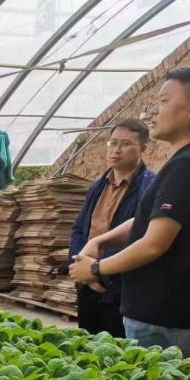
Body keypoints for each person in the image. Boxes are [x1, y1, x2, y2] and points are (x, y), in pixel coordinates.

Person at [70, 67, 190, 357]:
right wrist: (101, 241)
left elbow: (154, 243)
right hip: (168, 310)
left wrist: (95, 268)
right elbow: (149, 222)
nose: (153, 112)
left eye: (164, 101)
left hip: (162, 315)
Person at [69, 119, 155, 338]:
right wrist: (81, 265)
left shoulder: (150, 187)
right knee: (86, 346)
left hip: (121, 288)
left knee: (117, 349)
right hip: (88, 284)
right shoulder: (97, 187)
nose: (116, 150)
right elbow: (79, 229)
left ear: (143, 149)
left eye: (125, 144)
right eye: (113, 143)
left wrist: (99, 271)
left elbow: (141, 236)